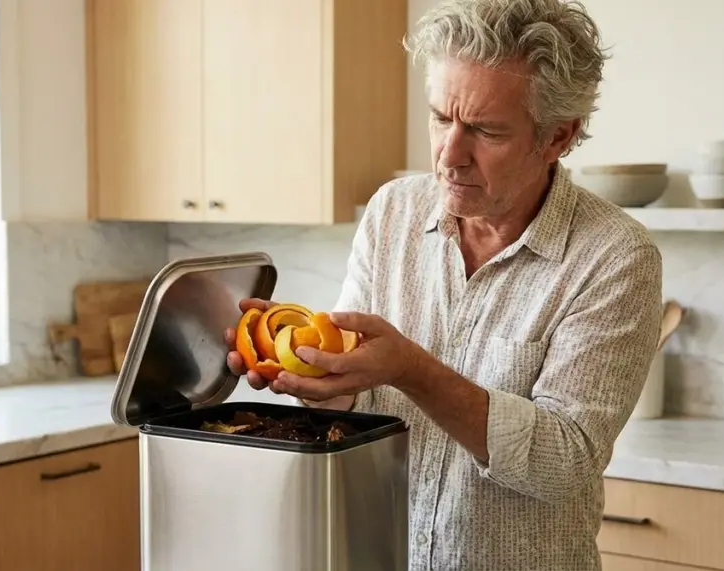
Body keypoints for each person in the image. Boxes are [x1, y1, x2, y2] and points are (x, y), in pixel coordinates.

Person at [225, 0, 663, 569]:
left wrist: (413, 369)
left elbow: (564, 460)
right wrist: (322, 379)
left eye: (484, 130)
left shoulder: (614, 256)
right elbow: (358, 387)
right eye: (440, 118)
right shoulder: (392, 212)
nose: (449, 156)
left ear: (557, 137)